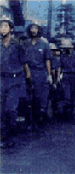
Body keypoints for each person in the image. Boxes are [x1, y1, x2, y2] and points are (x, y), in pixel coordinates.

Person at [0, 16, 26, 148]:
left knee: (11, 109)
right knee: (1, 110)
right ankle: (4, 137)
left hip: (14, 80)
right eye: (1, 26)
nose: (2, 29)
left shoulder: (17, 45)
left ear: (11, 29)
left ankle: (11, 135)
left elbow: (23, 62)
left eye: (5, 26)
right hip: (1, 80)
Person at [22, 21, 52, 123]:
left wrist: (49, 75)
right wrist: (27, 72)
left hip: (40, 73)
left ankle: (37, 119)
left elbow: (47, 60)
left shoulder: (44, 44)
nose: (34, 30)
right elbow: (23, 59)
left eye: (36, 28)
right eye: (32, 28)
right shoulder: (25, 43)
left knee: (38, 97)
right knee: (27, 97)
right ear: (29, 30)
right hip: (28, 72)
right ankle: (28, 120)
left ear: (39, 30)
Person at [59, 38, 75, 116]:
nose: (66, 50)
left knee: (73, 94)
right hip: (65, 75)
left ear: (71, 48)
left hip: (74, 76)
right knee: (66, 94)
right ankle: (66, 111)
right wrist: (58, 76)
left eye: (68, 48)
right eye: (65, 48)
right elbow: (60, 66)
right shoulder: (63, 56)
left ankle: (71, 111)